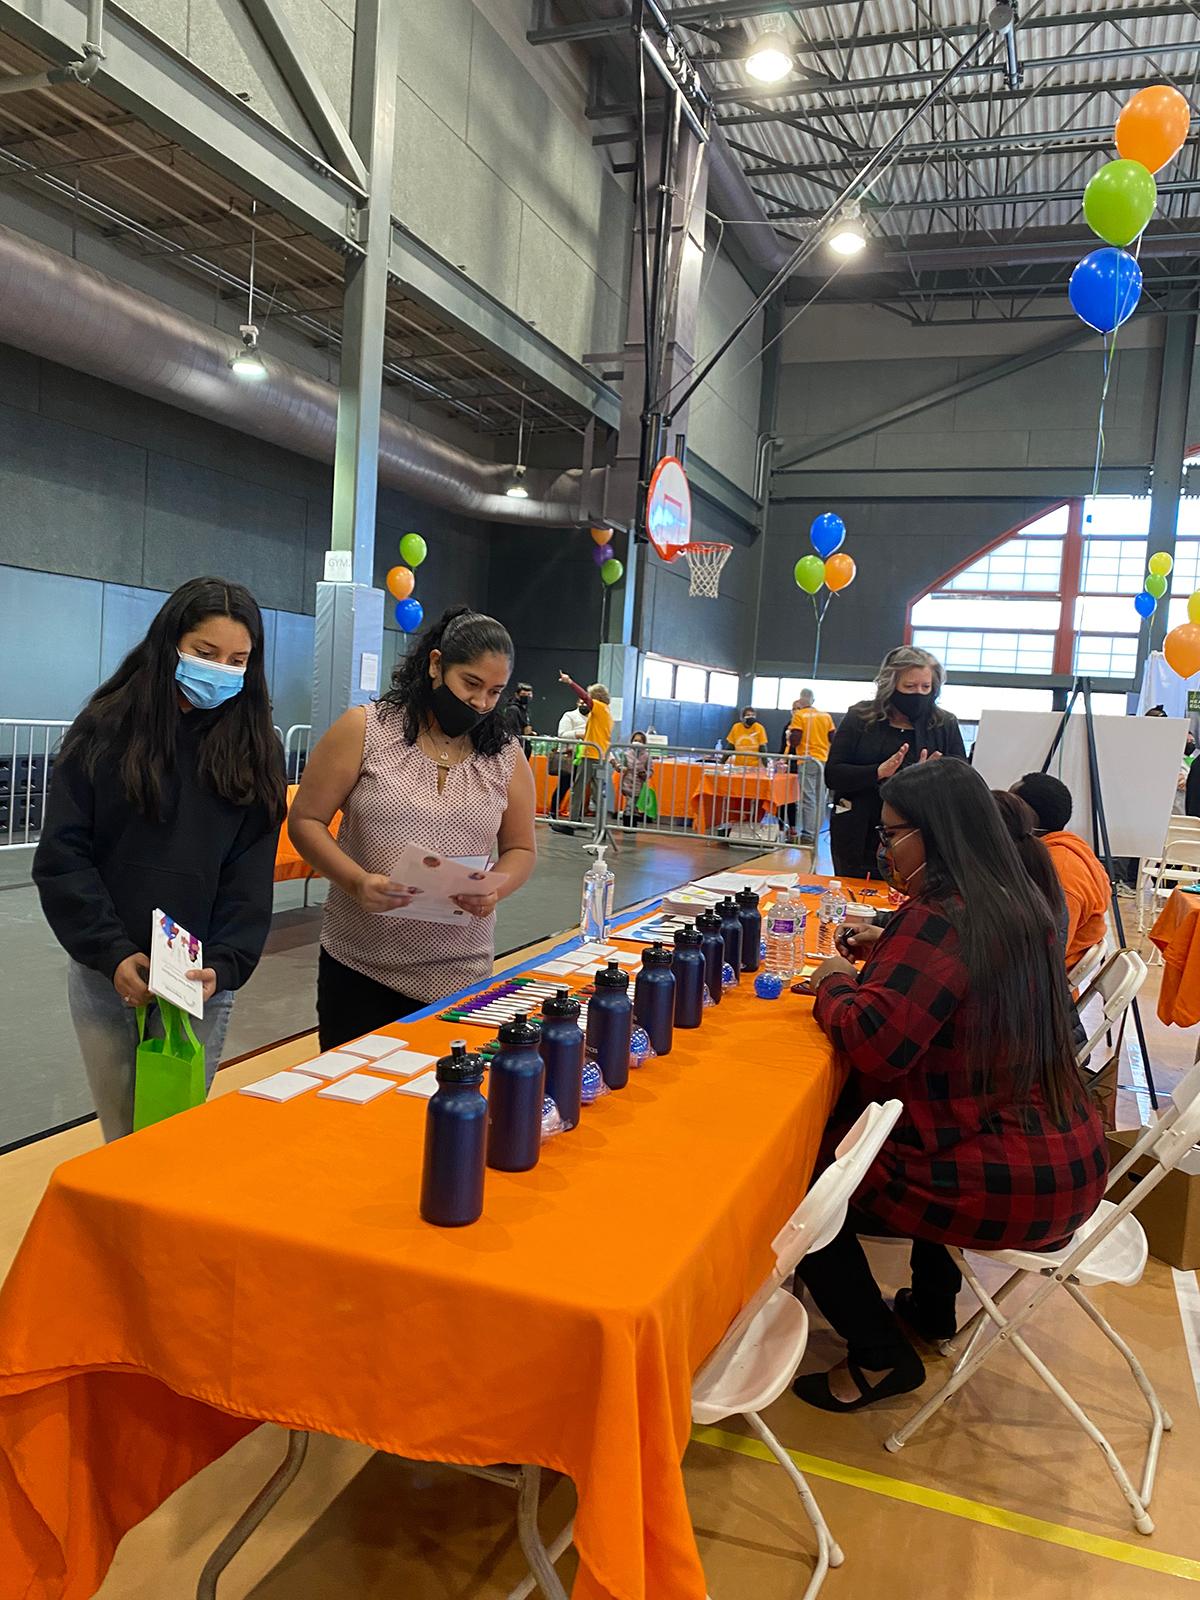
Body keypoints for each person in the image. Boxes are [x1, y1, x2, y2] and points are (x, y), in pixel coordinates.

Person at [792, 759, 1107, 1412]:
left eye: (892, 834)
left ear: (933, 833)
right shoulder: (1016, 899)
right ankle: (933, 1305)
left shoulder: (939, 917)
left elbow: (874, 1040)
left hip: (1008, 1180)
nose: (885, 849)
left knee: (805, 1179)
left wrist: (833, 982)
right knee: (922, 1128)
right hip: (1065, 1161)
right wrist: (889, 946)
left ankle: (877, 1354)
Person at [33, 577, 286, 1141]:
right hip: (109, 972)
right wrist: (111, 952)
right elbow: (63, 855)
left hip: (198, 979)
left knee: (171, 1135)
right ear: (170, 644)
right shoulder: (104, 730)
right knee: (122, 1136)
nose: (221, 668)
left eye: (237, 659)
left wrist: (222, 967)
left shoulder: (253, 747)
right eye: (205, 653)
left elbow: (249, 876)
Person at [289, 607, 537, 1051]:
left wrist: (495, 888)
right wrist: (356, 881)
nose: (481, 704)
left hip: (462, 972)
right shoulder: (366, 730)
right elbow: (306, 821)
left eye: (495, 692)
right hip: (361, 966)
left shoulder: (505, 755)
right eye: (471, 685)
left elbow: (521, 848)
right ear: (436, 665)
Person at [825, 646, 966, 879]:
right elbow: (833, 774)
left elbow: (962, 779)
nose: (919, 694)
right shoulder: (861, 717)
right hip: (858, 829)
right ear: (891, 685)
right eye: (909, 687)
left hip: (920, 832)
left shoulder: (944, 723)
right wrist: (878, 772)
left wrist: (929, 777)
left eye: (926, 687)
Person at [1010, 773, 1110, 969]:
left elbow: (1044, 956)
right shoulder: (1057, 848)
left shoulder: (1060, 872)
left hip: (1040, 990)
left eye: (1007, 808)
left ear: (1028, 820)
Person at [554, 672, 613, 829]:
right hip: (600, 756)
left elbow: (585, 697)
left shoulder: (599, 708)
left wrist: (570, 682)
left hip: (591, 755)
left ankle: (572, 823)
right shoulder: (607, 713)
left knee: (578, 790)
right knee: (597, 792)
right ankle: (601, 826)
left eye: (591, 696)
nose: (587, 700)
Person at [782, 689, 835, 844]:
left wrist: (790, 738)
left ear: (801, 700)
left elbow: (795, 740)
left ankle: (808, 834)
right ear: (813, 700)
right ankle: (815, 833)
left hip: (806, 759)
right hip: (823, 760)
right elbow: (833, 737)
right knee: (820, 799)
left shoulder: (799, 716)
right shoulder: (826, 716)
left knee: (808, 798)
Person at [546, 696, 588, 819]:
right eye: (582, 701)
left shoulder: (592, 718)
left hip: (585, 757)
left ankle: (576, 816)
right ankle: (553, 812)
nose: (584, 704)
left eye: (587, 702)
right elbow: (562, 734)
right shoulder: (569, 716)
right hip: (570, 756)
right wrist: (579, 734)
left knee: (580, 789)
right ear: (577, 702)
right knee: (564, 786)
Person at [615, 731, 652, 827]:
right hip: (627, 783)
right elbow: (620, 766)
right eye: (635, 740)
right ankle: (627, 823)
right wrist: (621, 768)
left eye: (640, 741)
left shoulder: (647, 756)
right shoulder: (626, 754)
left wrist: (645, 774)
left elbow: (651, 771)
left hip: (639, 785)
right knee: (630, 803)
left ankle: (632, 823)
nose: (637, 742)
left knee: (635, 804)